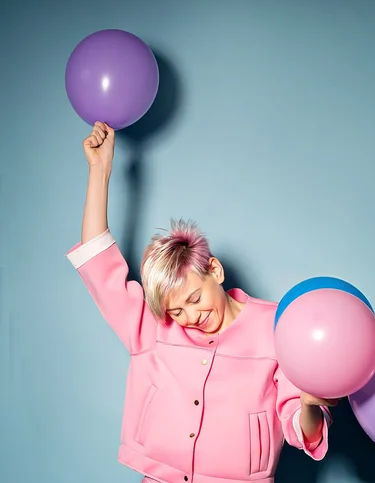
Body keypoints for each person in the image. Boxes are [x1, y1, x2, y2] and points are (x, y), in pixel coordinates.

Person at [66, 122, 337, 483]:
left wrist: (309, 402)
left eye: (194, 298)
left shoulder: (276, 327)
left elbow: (300, 429)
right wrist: (99, 172)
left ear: (215, 270)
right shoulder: (151, 326)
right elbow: (98, 266)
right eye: (176, 310)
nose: (189, 317)